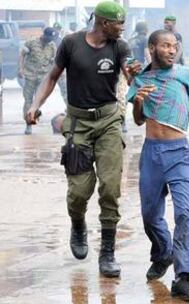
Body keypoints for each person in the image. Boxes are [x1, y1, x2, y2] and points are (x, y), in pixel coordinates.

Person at [25, 1, 140, 278]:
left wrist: (133, 74)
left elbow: (129, 70)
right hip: (77, 123)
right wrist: (34, 105)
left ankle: (108, 253)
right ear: (103, 23)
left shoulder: (119, 46)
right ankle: (78, 224)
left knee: (111, 188)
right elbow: (52, 77)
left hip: (109, 121)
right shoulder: (71, 43)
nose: (122, 28)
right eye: (118, 23)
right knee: (78, 192)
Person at [126, 29, 189, 301]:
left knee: (184, 212)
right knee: (150, 215)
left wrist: (183, 114)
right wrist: (139, 102)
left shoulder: (185, 74)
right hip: (152, 153)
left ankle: (184, 276)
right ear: (151, 48)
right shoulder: (141, 78)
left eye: (174, 46)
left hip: (179, 153)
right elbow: (138, 120)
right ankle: (163, 251)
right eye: (165, 46)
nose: (170, 50)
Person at [19, 27, 57, 135]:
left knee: (40, 100)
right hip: (30, 76)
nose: (50, 40)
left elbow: (54, 61)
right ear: (43, 34)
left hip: (43, 78)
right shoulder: (31, 42)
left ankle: (34, 113)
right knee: (28, 100)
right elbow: (22, 55)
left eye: (52, 38)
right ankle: (29, 124)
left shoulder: (52, 46)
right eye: (48, 37)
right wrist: (21, 69)